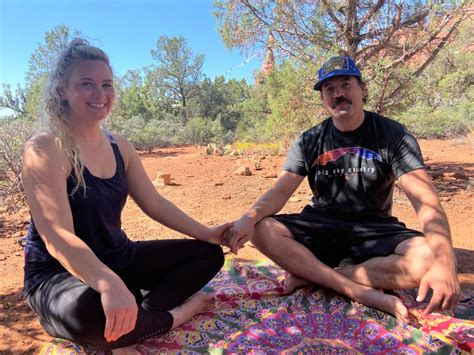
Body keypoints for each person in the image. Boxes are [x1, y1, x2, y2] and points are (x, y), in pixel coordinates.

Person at [21, 38, 229, 353]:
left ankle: (132, 318)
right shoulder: (45, 147)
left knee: (208, 255)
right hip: (57, 275)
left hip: (119, 257)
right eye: (86, 83)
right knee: (87, 312)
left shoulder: (120, 145)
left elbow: (155, 203)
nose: (100, 94)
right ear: (62, 90)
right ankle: (172, 315)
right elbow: (56, 234)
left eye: (107, 84)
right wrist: (106, 282)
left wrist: (208, 233)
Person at [228, 56, 460, 321]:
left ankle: (319, 277)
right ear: (323, 98)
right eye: (329, 89)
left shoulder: (393, 135)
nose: (338, 94)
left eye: (346, 84)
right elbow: (280, 191)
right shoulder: (309, 140)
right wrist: (249, 217)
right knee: (261, 229)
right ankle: (360, 291)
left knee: (428, 258)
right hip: (321, 226)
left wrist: (446, 260)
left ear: (362, 89)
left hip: (375, 228)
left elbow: (425, 200)